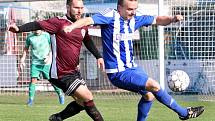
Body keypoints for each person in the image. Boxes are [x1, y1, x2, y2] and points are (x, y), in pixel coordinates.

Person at [63, 0, 205, 121]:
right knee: (154, 85)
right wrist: (72, 26)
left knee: (149, 96)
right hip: (118, 72)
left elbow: (157, 20)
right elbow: (88, 20)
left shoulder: (135, 18)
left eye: (135, 9)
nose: (133, 12)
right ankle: (184, 113)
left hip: (132, 68)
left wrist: (172, 18)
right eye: (129, 9)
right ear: (120, 8)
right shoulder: (110, 16)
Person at [9, 0, 104, 121]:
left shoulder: (82, 24)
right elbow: (38, 24)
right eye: (76, 7)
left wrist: (98, 56)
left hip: (74, 71)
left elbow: (87, 39)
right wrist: (18, 29)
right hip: (61, 72)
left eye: (81, 8)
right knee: (88, 97)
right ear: (68, 7)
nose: (79, 10)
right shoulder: (58, 22)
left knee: (82, 103)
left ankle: (57, 118)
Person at [20, 30, 64, 106]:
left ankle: (60, 93)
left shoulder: (46, 35)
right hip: (35, 63)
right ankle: (30, 100)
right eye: (34, 28)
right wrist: (23, 59)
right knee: (33, 80)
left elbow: (53, 46)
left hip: (46, 63)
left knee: (52, 80)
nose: (36, 30)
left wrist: (49, 57)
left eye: (38, 28)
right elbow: (26, 48)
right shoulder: (30, 37)